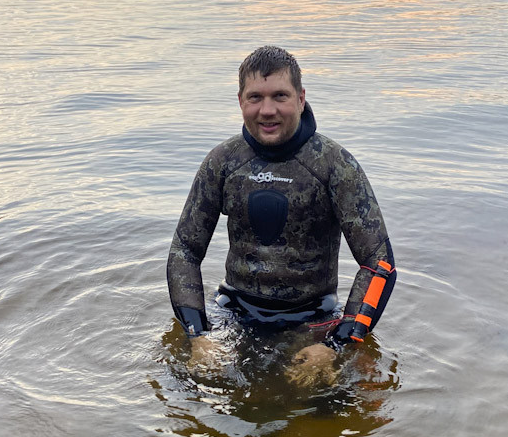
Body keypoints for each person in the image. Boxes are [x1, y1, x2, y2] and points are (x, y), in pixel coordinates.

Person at [167, 46, 396, 386]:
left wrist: (338, 344)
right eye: (255, 97)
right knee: (187, 389)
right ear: (241, 100)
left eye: (280, 96)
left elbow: (379, 262)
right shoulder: (223, 161)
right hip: (233, 311)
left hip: (313, 317)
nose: (267, 110)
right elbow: (184, 250)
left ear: (301, 99)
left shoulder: (334, 165)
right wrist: (198, 336)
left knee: (327, 408)